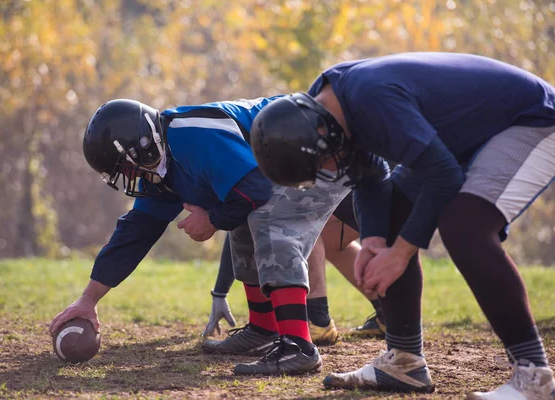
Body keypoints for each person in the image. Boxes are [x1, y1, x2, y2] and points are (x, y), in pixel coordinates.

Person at [249, 53, 555, 398]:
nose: (331, 168)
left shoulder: (371, 98)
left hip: (530, 119)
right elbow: (370, 174)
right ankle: (404, 362)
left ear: (319, 130)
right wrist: (374, 242)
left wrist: (401, 253)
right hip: (463, 135)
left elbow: (443, 177)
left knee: (464, 226)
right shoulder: (328, 106)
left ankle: (535, 377)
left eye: (323, 159)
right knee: (394, 210)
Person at [49, 97, 352, 376]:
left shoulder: (191, 136)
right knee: (245, 212)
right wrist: (88, 300)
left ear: (143, 144)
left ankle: (298, 345)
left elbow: (255, 189)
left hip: (325, 151)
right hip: (285, 162)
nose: (130, 177)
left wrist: (212, 220)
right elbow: (134, 234)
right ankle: (264, 329)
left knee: (266, 215)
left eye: (127, 167)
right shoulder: (162, 164)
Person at [203, 199, 386, 344]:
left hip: (372, 182)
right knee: (331, 241)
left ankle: (317, 320)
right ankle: (387, 313)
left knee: (300, 221)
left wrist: (220, 292)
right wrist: (220, 293)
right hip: (382, 179)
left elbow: (241, 219)